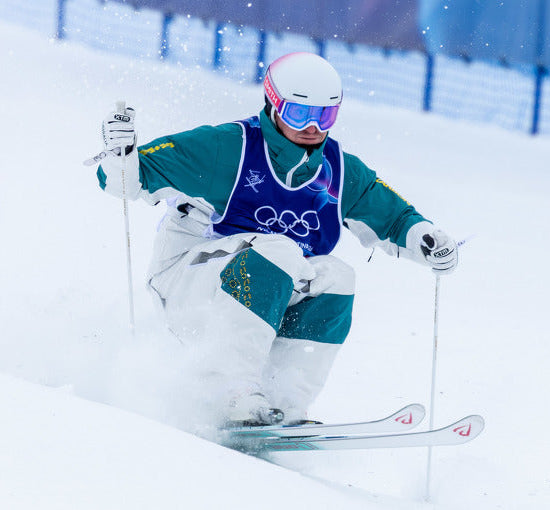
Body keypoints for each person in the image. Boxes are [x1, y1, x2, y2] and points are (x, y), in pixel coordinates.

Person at [96, 52, 457, 428]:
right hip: (187, 284)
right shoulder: (227, 148)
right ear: (273, 103)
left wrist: (425, 238)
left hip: (262, 296)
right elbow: (127, 180)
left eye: (325, 116)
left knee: (336, 276)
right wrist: (120, 154)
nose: (312, 128)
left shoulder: (339, 173)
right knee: (280, 250)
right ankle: (233, 392)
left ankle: (283, 404)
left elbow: (396, 218)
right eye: (300, 114)